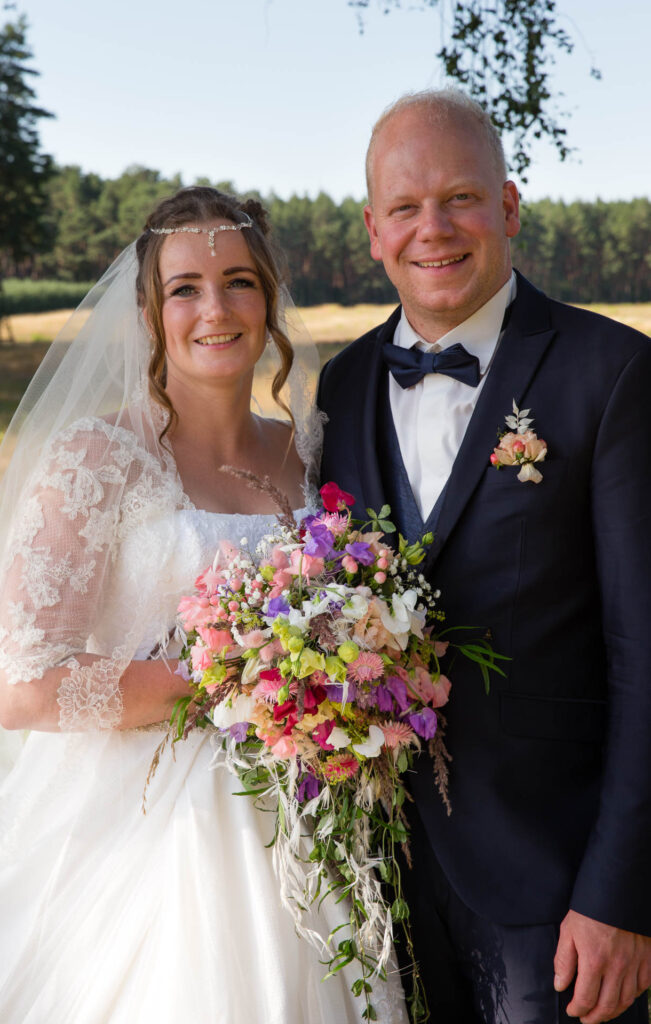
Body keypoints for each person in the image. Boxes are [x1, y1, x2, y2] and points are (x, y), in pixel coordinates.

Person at [0, 186, 408, 1024]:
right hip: (135, 828)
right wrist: (237, 678)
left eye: (239, 281)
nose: (216, 308)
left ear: (268, 299)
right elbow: (21, 687)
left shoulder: (312, 454)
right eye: (185, 288)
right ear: (148, 312)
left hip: (305, 815)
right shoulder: (96, 457)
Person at [318, 89, 651, 1024]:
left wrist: (622, 894)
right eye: (405, 207)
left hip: (556, 889)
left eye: (459, 198)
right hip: (377, 881)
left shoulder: (612, 372)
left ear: (506, 206)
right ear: (373, 231)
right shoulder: (341, 384)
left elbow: (644, 651)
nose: (433, 228)